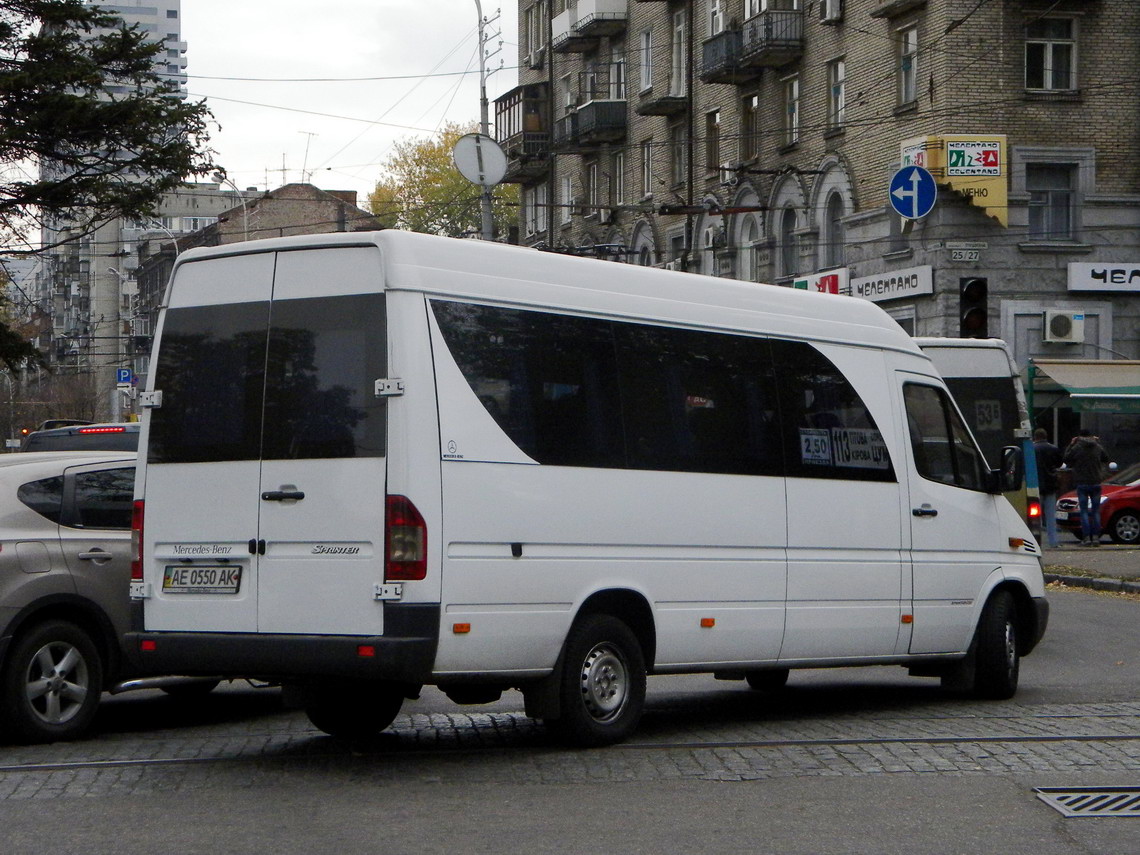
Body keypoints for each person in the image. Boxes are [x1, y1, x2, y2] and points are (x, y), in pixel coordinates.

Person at [1062, 429, 1110, 546]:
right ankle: (1096, 538)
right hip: (1096, 482)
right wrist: (1098, 443)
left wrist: (1071, 444)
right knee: (1095, 511)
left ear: (1079, 436)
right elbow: (1106, 458)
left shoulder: (1077, 447)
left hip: (1082, 482)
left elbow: (1066, 459)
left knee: (1083, 511)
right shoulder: (1097, 447)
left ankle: (1086, 538)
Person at [1033, 428, 1063, 548]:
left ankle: (1036, 541)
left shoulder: (1032, 449)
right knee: (1051, 515)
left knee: (1035, 516)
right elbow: (1059, 463)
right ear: (1046, 436)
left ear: (1035, 437)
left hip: (1036, 485)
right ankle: (1053, 541)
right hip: (1051, 484)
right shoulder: (1053, 449)